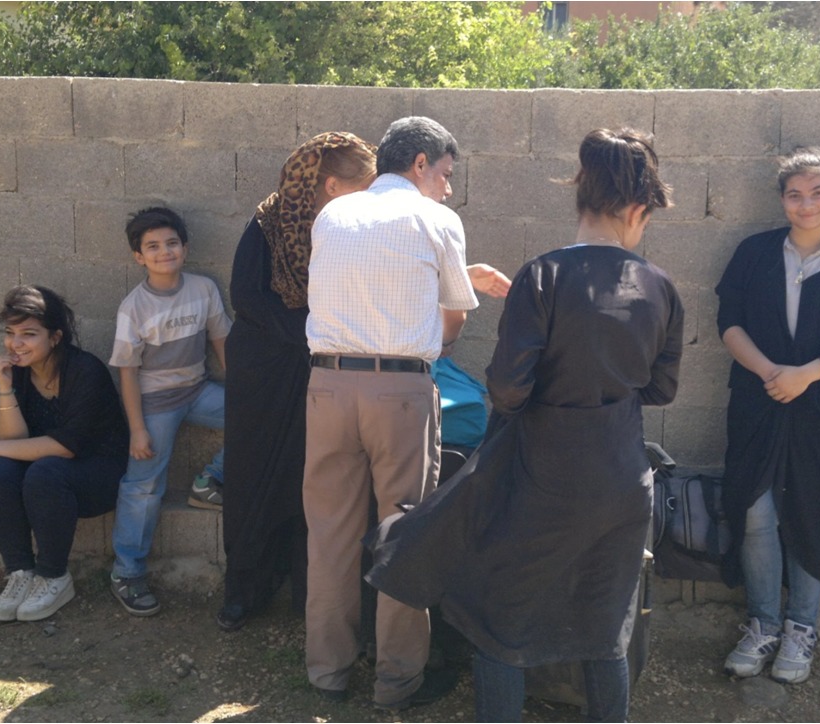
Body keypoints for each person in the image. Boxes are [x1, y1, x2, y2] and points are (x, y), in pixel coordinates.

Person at [367, 128, 684, 722]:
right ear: (640, 207)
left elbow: (508, 389)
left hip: (542, 475)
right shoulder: (661, 287)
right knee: (605, 627)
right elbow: (662, 390)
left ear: (580, 198)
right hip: (622, 480)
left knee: (500, 627)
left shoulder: (542, 277)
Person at [302, 116, 487, 711]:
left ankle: (327, 671)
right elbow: (452, 324)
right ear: (420, 165)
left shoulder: (333, 214)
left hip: (327, 385)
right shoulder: (437, 220)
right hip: (398, 391)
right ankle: (397, 681)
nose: (448, 189)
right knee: (404, 533)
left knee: (329, 534)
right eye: (446, 174)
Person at [716, 147, 820, 685]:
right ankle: (763, 623)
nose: (806, 204)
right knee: (756, 511)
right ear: (782, 200)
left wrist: (809, 373)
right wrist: (772, 373)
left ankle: (802, 628)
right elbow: (729, 321)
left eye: (817, 192)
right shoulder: (754, 254)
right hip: (758, 403)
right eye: (795, 194)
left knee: (812, 511)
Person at [217, 131, 379, 633]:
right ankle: (245, 589)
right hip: (266, 371)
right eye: (364, 186)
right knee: (254, 477)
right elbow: (247, 297)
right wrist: (311, 333)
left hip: (320, 368)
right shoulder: (268, 223)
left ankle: (307, 598)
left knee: (313, 481)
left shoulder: (355, 229)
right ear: (331, 185)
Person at [0, 285, 129, 622]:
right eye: (11, 333)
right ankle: (20, 574)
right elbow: (15, 440)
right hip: (47, 475)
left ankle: (53, 576)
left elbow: (66, 446)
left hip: (99, 476)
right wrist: (4, 386)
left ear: (55, 337)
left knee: (40, 469)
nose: (16, 343)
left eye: (29, 334)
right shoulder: (18, 373)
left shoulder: (86, 371)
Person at [108, 206, 233, 617]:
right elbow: (127, 373)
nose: (165, 252)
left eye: (172, 243)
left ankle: (210, 481)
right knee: (143, 485)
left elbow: (221, 343)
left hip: (197, 390)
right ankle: (127, 572)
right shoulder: (134, 307)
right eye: (153, 247)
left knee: (257, 418)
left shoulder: (203, 289)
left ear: (185, 247)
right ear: (139, 257)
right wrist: (137, 429)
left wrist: (245, 394)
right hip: (154, 404)